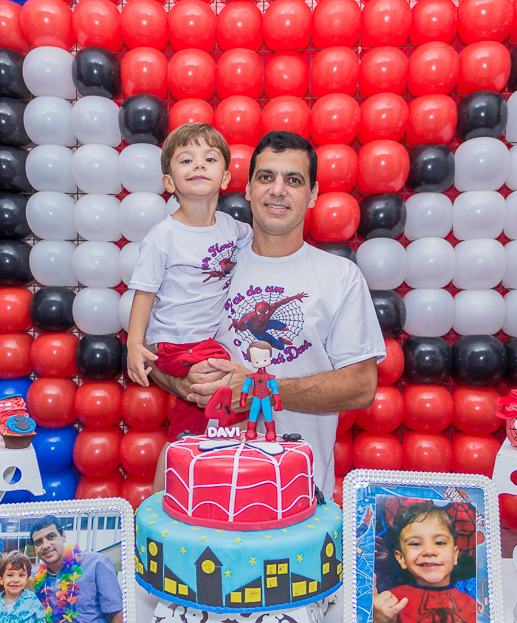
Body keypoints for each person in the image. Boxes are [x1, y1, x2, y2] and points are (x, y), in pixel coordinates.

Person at [150, 130, 385, 497]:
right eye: (265, 177)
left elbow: (362, 386)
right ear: (247, 190)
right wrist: (187, 387)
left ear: (313, 194)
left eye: (293, 180)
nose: (278, 190)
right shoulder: (211, 262)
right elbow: (152, 354)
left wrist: (259, 388)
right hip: (208, 486)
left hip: (295, 491)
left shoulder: (341, 276)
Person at [126, 122, 253, 440]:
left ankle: (203, 442)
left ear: (224, 178)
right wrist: (135, 345)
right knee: (219, 375)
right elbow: (145, 293)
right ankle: (190, 445)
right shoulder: (164, 235)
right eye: (186, 160)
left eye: (210, 159)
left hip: (203, 342)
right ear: (169, 182)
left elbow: (261, 241)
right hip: (171, 342)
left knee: (222, 382)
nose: (198, 165)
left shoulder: (230, 227)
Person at [373, 502, 476, 623]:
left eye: (440, 543)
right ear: (401, 558)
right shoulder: (389, 603)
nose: (429, 551)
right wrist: (379, 620)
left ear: (455, 555)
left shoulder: (474, 605)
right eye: (415, 544)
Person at [30, 516, 123, 623]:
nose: (45, 545)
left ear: (63, 536)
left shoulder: (97, 564)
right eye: (38, 543)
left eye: (51, 537)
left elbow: (116, 613)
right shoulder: (35, 577)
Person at [0, 551, 46, 623]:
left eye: (21, 575)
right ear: (1, 579)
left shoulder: (33, 601)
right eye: (10, 575)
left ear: (26, 580)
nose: (16, 580)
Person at [240, 340, 281, 440]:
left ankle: (270, 431)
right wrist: (242, 399)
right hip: (256, 397)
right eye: (256, 360)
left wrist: (277, 402)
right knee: (253, 414)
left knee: (268, 415)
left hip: (265, 397)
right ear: (251, 360)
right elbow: (245, 388)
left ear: (270, 357)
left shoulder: (271, 378)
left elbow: (275, 390)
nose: (260, 362)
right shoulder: (250, 377)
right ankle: (251, 430)